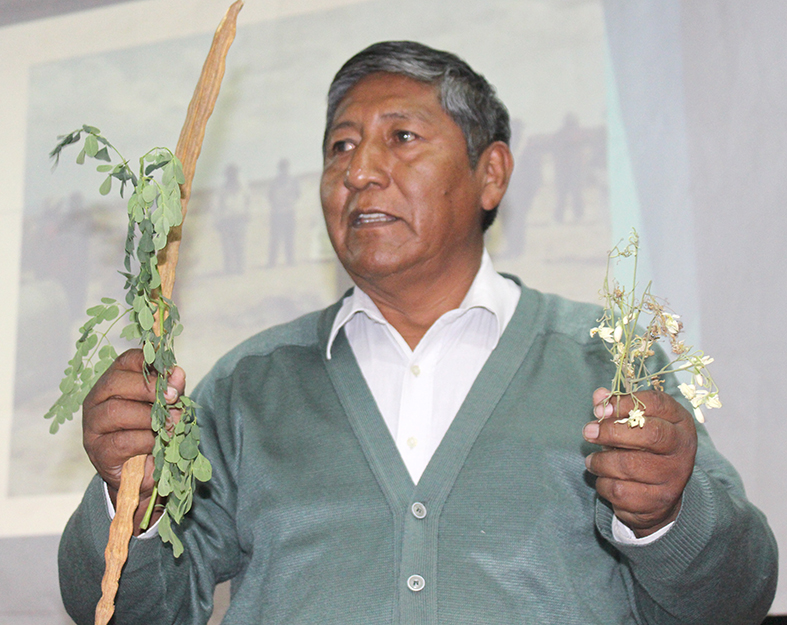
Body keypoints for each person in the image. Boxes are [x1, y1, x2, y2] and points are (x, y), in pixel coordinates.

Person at [59, 41, 777, 624]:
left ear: (491, 174)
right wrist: (129, 499)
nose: (359, 171)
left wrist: (666, 516)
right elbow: (131, 613)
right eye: (340, 146)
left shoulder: (607, 359)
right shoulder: (250, 384)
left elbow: (733, 598)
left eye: (400, 137)